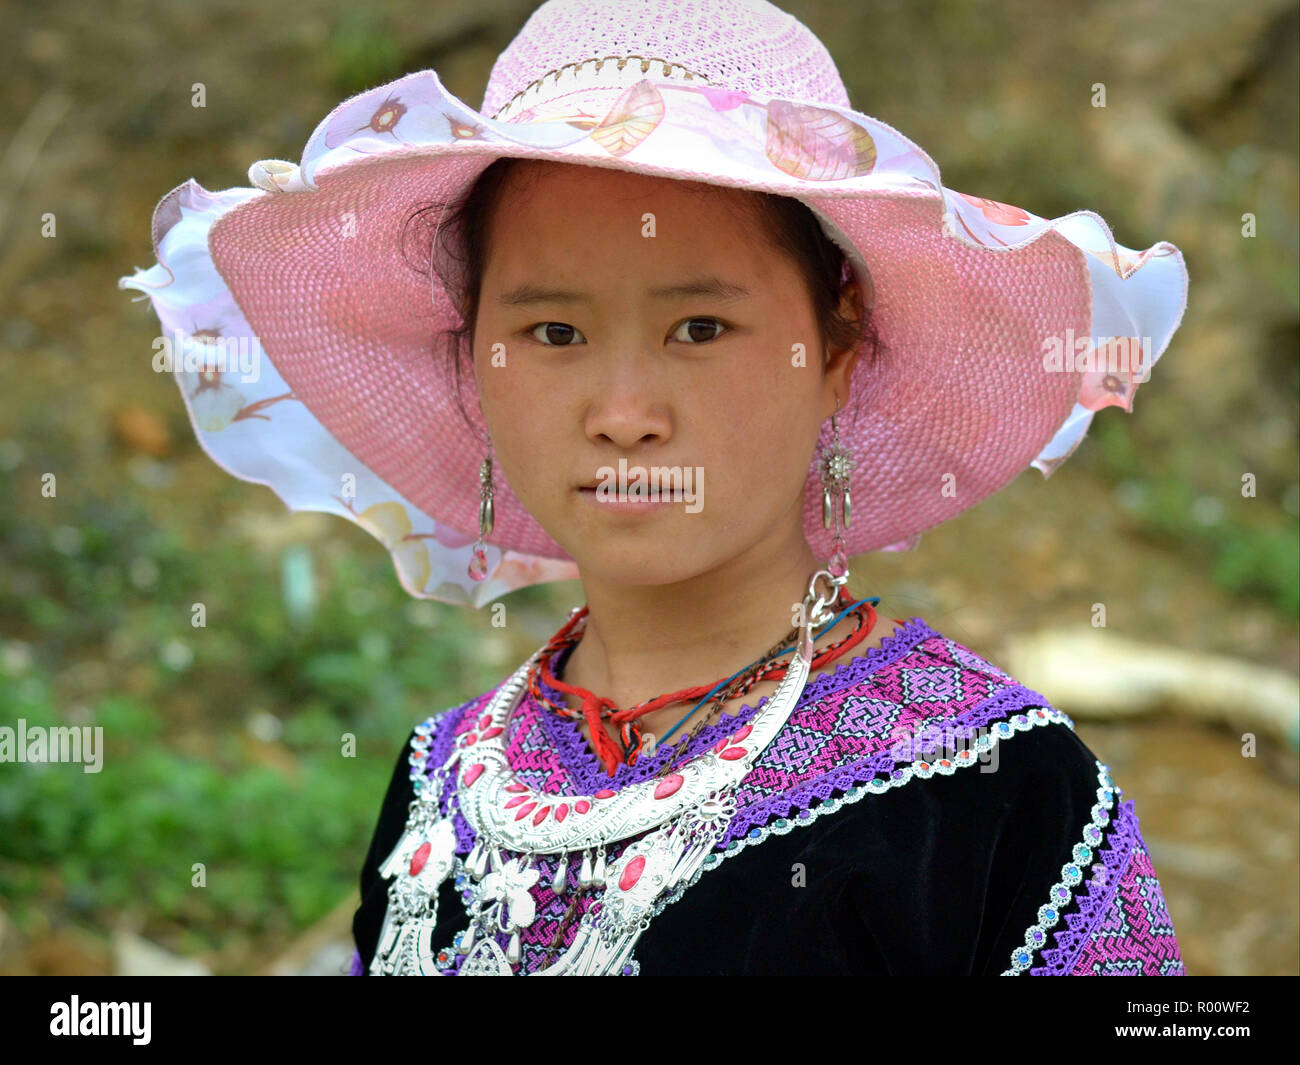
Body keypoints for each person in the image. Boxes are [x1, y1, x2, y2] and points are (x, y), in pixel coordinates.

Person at [118, 0, 1189, 975]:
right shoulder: (439, 785)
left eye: (699, 328)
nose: (623, 411)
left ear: (835, 350)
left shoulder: (989, 793)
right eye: (552, 331)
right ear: (471, 361)